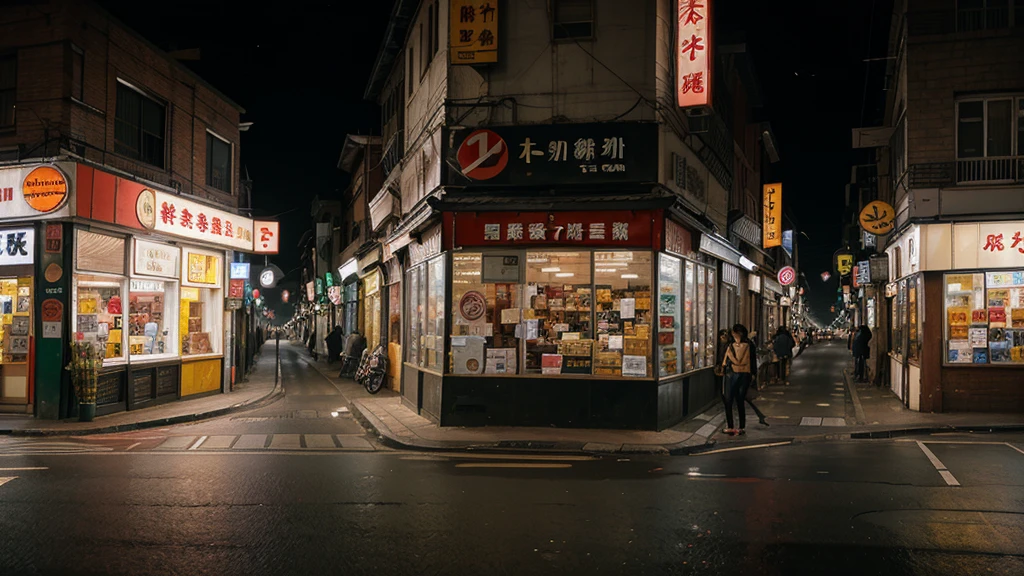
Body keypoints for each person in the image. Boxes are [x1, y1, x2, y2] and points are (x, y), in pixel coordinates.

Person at [721, 323, 755, 435]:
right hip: (745, 374)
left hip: (732, 374)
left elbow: (724, 361)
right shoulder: (750, 344)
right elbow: (753, 361)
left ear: (734, 333)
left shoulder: (729, 346)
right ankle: (741, 426)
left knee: (729, 400)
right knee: (740, 400)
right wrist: (753, 375)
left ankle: (730, 426)